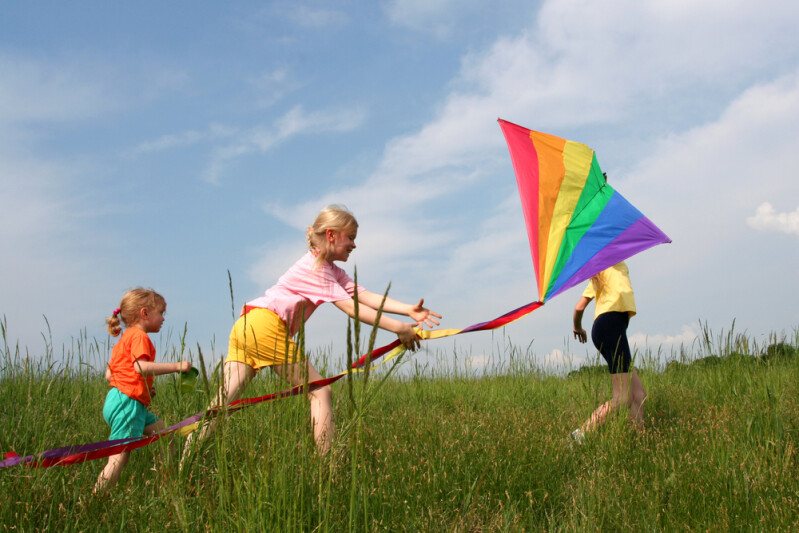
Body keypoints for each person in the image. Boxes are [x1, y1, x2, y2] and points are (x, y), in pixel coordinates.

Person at [182, 205, 441, 460]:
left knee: (220, 406)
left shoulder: (331, 270)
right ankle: (327, 467)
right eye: (350, 237)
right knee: (321, 392)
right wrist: (399, 328)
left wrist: (408, 310)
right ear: (331, 235)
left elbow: (363, 295)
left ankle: (184, 459)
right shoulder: (316, 268)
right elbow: (351, 308)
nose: (354, 245)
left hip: (246, 324)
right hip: (265, 326)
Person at [95, 288, 191, 492]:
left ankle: (170, 483)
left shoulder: (124, 340)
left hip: (120, 400)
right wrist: (177, 366)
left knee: (168, 434)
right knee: (118, 457)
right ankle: (94, 499)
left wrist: (144, 387)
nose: (163, 318)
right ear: (145, 313)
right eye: (161, 313)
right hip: (127, 404)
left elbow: (110, 375)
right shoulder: (139, 337)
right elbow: (140, 367)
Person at [571, 261, 646, 442]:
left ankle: (639, 441)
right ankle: (579, 436)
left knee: (639, 395)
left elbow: (579, 307)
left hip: (611, 328)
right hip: (609, 326)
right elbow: (579, 307)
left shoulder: (602, 271)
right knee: (622, 398)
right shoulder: (603, 271)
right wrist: (577, 328)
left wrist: (577, 327)